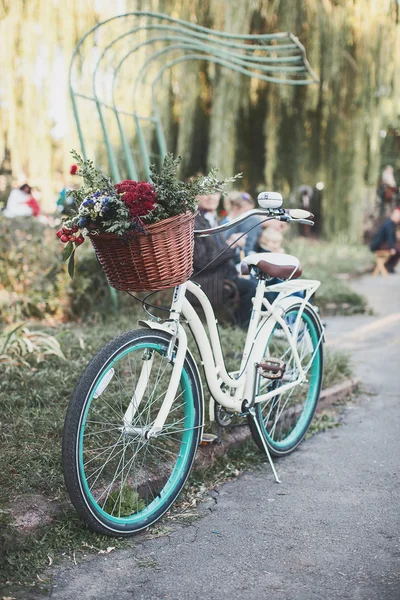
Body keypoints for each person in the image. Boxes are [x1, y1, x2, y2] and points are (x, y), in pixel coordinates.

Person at [192, 193, 258, 328]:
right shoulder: (194, 221)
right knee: (253, 287)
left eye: (214, 193)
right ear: (195, 196)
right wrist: (231, 244)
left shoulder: (212, 218)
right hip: (208, 279)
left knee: (260, 281)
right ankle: (241, 326)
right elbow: (203, 261)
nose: (211, 197)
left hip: (226, 272)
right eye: (206, 193)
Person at [221, 191, 262, 259]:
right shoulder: (225, 225)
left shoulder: (244, 222)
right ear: (236, 207)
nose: (249, 216)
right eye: (246, 212)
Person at [369, 206, 400, 273]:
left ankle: (388, 266)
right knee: (397, 249)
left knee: (398, 249)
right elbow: (390, 238)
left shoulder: (392, 224)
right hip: (377, 245)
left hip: (381, 244)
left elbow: (392, 237)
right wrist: (392, 248)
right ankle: (388, 266)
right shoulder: (389, 224)